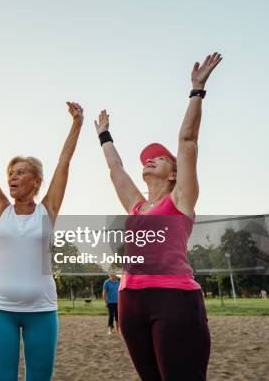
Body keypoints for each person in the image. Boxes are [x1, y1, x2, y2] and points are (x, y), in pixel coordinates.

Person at [94, 52, 222, 380]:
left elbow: (188, 141)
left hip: (173, 299)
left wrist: (196, 91)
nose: (150, 160)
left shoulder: (180, 200)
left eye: (160, 158)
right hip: (130, 302)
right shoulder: (137, 207)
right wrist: (104, 135)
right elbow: (115, 168)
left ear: (174, 173)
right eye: (148, 159)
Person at [0, 101, 84, 380]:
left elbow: (63, 164)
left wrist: (76, 124)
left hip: (41, 310)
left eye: (20, 172)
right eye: (11, 173)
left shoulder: (48, 211)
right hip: (0, 310)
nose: (13, 176)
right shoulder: (0, 210)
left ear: (36, 181)